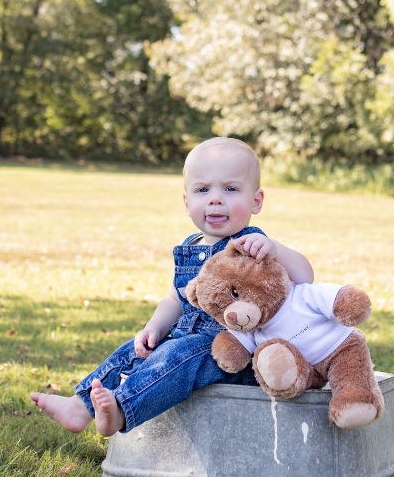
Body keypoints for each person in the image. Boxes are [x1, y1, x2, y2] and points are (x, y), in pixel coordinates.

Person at [30, 137, 314, 436]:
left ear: (256, 201)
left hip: (231, 351)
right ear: (187, 202)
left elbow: (305, 276)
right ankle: (80, 405)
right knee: (137, 351)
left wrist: (276, 249)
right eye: (203, 190)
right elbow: (175, 298)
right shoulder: (190, 247)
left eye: (230, 189)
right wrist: (154, 327)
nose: (215, 199)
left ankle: (122, 411)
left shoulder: (254, 244)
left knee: (177, 355)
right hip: (184, 336)